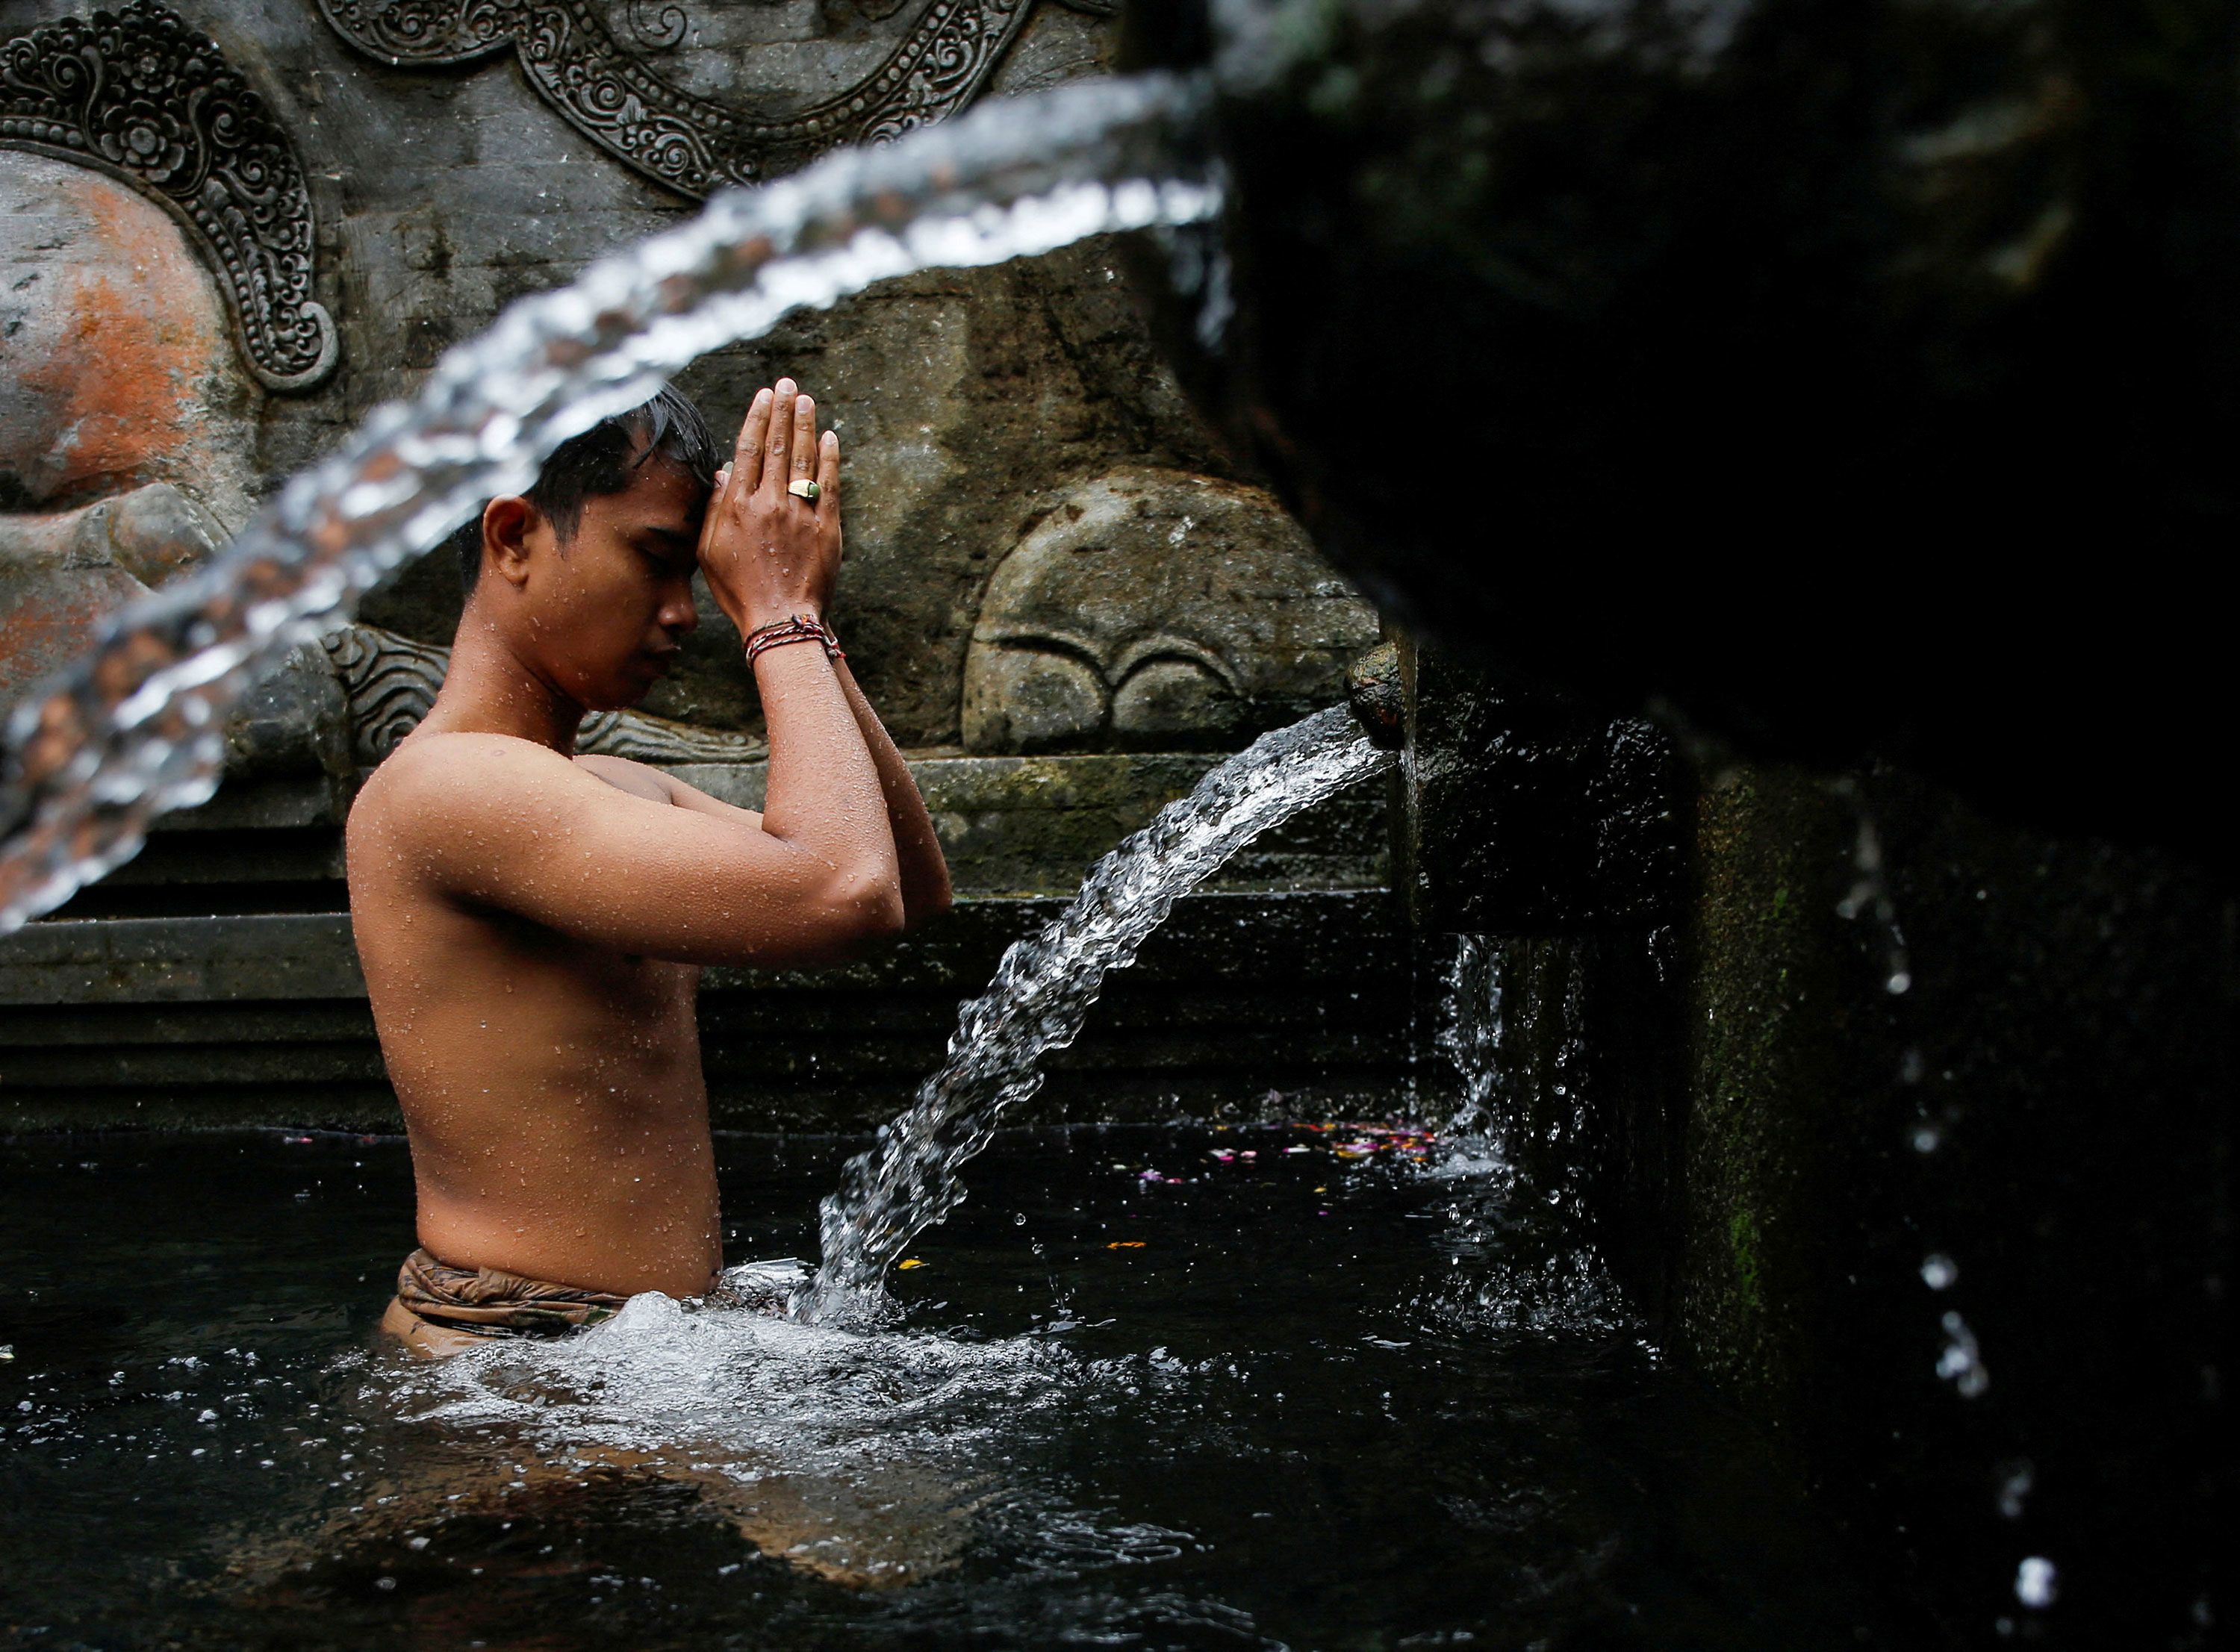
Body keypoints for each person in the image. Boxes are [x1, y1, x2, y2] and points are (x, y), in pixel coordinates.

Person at [346, 377, 951, 1354]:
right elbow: (843, 887)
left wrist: (806, 621)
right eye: (658, 560)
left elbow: (909, 888)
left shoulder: (617, 789)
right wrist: (779, 614)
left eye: (696, 577)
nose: (685, 614)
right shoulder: (447, 789)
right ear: (513, 538)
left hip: (628, 1363)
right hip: (512, 1376)